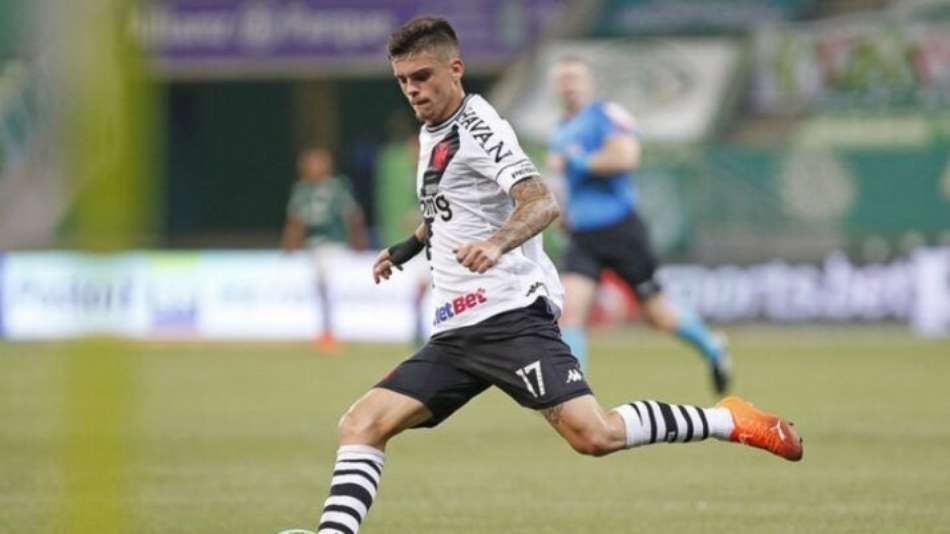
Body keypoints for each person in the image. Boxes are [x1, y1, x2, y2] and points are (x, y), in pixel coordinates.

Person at [313, 17, 802, 534]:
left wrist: (496, 243)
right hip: (456, 333)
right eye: (403, 80)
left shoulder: (479, 128)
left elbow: (541, 201)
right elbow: (449, 208)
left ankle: (730, 420)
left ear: (455, 69)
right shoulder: (434, 129)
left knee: (596, 435)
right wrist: (409, 247)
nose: (413, 89)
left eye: (422, 76)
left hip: (508, 319)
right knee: (361, 424)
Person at [547, 56, 732, 393]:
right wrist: (562, 213)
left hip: (620, 230)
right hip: (582, 237)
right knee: (570, 313)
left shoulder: (605, 115)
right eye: (563, 80)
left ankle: (712, 346)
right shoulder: (559, 130)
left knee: (657, 315)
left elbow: (627, 156)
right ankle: (574, 393)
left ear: (590, 83)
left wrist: (581, 161)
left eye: (574, 78)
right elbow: (561, 183)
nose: (568, 86)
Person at [281, 146, 368, 348]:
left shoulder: (337, 188)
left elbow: (352, 216)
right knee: (320, 289)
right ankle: (326, 330)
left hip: (334, 245)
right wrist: (289, 245)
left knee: (332, 287)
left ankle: (336, 330)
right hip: (312, 247)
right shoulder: (302, 190)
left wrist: (358, 241)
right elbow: (295, 221)